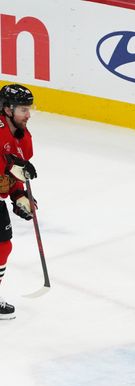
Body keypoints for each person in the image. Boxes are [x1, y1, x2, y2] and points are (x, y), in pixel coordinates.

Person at [0, 84, 37, 320]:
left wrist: (18, 195)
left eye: (29, 108)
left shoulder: (23, 136)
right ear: (7, 109)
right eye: (23, 109)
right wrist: (11, 165)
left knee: (4, 246)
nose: (28, 114)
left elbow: (14, 175)